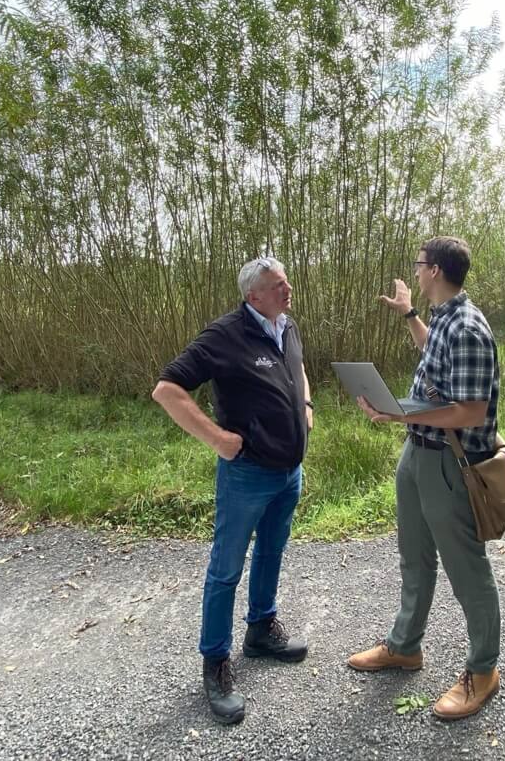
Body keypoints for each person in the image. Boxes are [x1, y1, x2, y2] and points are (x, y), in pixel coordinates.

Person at [152, 256, 314, 725]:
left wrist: (306, 402)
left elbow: (299, 368)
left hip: (288, 471)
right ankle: (216, 664)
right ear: (252, 296)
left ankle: (261, 630)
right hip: (246, 475)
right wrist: (217, 439)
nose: (287, 290)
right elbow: (167, 390)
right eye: (278, 286)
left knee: (271, 552)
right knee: (225, 571)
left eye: (286, 282)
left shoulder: (287, 326)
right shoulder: (224, 335)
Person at [348, 235, 503, 721]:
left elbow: (471, 411)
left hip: (449, 462)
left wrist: (400, 413)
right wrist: (408, 314)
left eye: (418, 264)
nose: (414, 271)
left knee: (467, 569)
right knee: (414, 558)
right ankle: (404, 646)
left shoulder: (469, 328)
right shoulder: (443, 319)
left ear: (434, 269)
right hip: (417, 454)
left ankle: (483, 670)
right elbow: (434, 355)